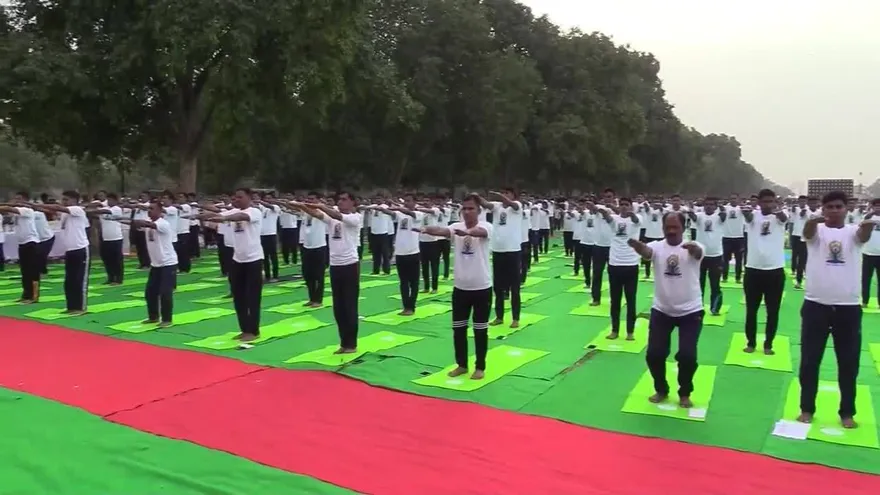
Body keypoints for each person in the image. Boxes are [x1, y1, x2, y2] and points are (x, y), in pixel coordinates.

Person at [797, 190, 875, 429]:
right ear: (823, 209)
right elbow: (807, 233)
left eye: (838, 206)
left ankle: (847, 412)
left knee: (848, 363)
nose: (834, 210)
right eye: (829, 206)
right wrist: (813, 220)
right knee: (810, 360)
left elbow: (863, 236)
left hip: (847, 308)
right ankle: (807, 408)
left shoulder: (853, 231)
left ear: (846, 208)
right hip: (815, 305)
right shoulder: (816, 231)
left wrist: (869, 223)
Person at [628, 211, 704, 408]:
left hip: (690, 311)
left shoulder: (693, 247)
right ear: (662, 228)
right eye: (667, 227)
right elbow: (647, 253)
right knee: (654, 354)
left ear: (683, 228)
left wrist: (694, 249)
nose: (671, 231)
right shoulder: (657, 246)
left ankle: (685, 392)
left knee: (687, 356)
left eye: (675, 227)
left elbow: (698, 253)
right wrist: (638, 247)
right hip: (662, 310)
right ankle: (661, 389)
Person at [421, 194, 493, 380]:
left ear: (479, 211)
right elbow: (442, 231)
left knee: (480, 330)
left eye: (471, 208)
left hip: (481, 288)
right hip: (460, 288)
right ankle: (461, 365)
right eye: (465, 208)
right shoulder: (456, 227)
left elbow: (479, 233)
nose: (467, 212)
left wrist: (468, 233)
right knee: (458, 329)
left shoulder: (486, 226)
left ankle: (480, 367)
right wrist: (427, 229)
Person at [293, 192, 363, 353]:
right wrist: (302, 206)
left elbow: (335, 214)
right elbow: (317, 214)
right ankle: (343, 343)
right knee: (338, 307)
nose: (341, 202)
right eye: (339, 200)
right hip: (335, 265)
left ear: (353, 202)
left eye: (344, 200)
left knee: (349, 305)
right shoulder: (332, 219)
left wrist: (321, 206)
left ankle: (351, 344)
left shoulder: (355, 217)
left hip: (350, 265)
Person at [200, 188, 264, 342]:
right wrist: (201, 216)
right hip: (237, 260)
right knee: (238, 297)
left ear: (249, 197)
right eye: (235, 197)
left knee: (252, 297)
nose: (236, 200)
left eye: (240, 197)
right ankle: (244, 329)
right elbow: (218, 214)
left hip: (254, 259)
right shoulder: (233, 212)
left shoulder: (254, 212)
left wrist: (223, 218)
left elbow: (240, 216)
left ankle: (254, 330)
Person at [741, 189, 787, 355]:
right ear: (759, 203)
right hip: (753, 270)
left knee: (772, 311)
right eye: (765, 201)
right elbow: (748, 217)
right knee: (751, 310)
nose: (768, 205)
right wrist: (745, 211)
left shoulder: (780, 217)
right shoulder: (753, 216)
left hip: (775, 271)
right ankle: (751, 342)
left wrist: (778, 210)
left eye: (771, 201)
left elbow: (784, 218)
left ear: (775, 202)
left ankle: (768, 344)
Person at [30, 191, 90, 314]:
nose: (64, 202)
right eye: (63, 199)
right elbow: (53, 210)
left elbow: (57, 207)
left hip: (80, 249)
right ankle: (71, 306)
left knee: (79, 280)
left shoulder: (77, 209)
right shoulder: (65, 214)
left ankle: (80, 308)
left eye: (66, 199)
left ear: (74, 200)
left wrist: (39, 205)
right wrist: (35, 207)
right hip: (69, 250)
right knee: (69, 281)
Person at [123, 201, 178, 327]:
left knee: (165, 292)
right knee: (150, 292)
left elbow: (148, 224)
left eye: (152, 209)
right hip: (156, 264)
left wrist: (136, 221)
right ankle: (153, 317)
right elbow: (138, 224)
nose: (149, 211)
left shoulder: (163, 224)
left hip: (168, 263)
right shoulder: (148, 222)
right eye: (148, 209)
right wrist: (118, 219)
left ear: (159, 211)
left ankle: (167, 319)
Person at [476, 189, 522, 329]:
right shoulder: (497, 206)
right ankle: (499, 316)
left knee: (514, 287)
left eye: (508, 193)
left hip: (513, 251)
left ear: (513, 196)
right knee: (498, 287)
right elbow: (486, 204)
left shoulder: (517, 206)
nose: (505, 196)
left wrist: (500, 196)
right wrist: (476, 196)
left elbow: (511, 203)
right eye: (504, 193)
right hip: (498, 251)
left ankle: (515, 318)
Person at [369, 196, 422, 315]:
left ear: (415, 202)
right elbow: (391, 213)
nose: (406, 203)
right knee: (403, 282)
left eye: (409, 201)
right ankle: (405, 307)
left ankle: (411, 307)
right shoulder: (400, 215)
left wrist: (398, 207)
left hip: (413, 252)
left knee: (414, 282)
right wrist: (382, 209)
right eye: (405, 201)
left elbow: (409, 213)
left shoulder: (418, 214)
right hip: (400, 253)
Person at [598, 197, 640, 339]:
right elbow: (608, 217)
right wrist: (603, 210)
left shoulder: (637, 218)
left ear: (631, 206)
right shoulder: (615, 219)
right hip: (615, 264)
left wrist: (631, 214)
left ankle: (630, 331)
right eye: (621, 204)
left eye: (626, 205)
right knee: (615, 300)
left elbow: (635, 220)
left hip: (631, 264)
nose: (623, 207)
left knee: (631, 300)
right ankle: (615, 330)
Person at [0, 193, 41, 303]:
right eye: (16, 199)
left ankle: (34, 296)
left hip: (31, 243)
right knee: (24, 271)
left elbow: (8, 208)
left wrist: (10, 204)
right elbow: (6, 210)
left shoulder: (27, 210)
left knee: (32, 271)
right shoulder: (17, 212)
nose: (16, 201)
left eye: (19, 199)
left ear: (25, 200)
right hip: (22, 243)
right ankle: (26, 295)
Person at [689, 197, 726, 315]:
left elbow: (724, 215)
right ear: (704, 206)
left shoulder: (719, 217)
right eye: (707, 204)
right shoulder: (700, 216)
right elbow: (693, 217)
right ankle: (698, 307)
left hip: (716, 255)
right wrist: (690, 210)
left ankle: (715, 308)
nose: (709, 206)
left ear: (715, 206)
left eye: (711, 204)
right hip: (700, 256)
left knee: (715, 284)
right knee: (699, 283)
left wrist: (721, 207)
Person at [790, 196, 821, 290]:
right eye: (811, 203)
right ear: (808, 203)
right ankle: (799, 281)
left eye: (815, 203)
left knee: (814, 260)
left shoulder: (820, 212)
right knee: (801, 260)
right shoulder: (804, 210)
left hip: (815, 239)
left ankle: (814, 281)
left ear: (817, 203)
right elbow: (801, 214)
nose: (813, 205)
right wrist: (803, 211)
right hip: (803, 238)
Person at [721, 193, 746, 284]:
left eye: (735, 198)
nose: (733, 200)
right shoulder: (725, 208)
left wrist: (742, 204)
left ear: (738, 199)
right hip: (726, 237)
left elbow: (748, 212)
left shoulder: (741, 209)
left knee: (739, 259)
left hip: (739, 237)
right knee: (725, 259)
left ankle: (738, 277)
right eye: (731, 198)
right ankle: (724, 276)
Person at [861, 198, 880, 307]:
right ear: (872, 207)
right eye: (876, 206)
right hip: (868, 252)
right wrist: (871, 213)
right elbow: (862, 223)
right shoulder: (867, 216)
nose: (878, 208)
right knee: (866, 279)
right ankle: (865, 301)